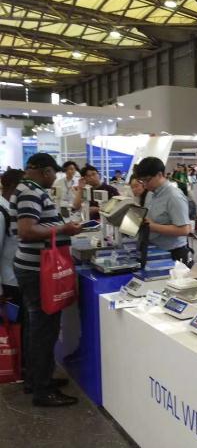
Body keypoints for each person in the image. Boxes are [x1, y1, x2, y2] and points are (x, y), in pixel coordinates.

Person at [11, 153, 82, 407]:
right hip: (37, 270)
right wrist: (64, 229)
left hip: (32, 267)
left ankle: (36, 379)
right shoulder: (31, 191)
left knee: (36, 327)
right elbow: (27, 230)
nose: (55, 179)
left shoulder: (27, 188)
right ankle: (42, 390)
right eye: (54, 173)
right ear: (45, 171)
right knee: (44, 329)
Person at [134, 157, 192, 264]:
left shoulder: (174, 196)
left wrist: (151, 226)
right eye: (142, 181)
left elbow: (184, 230)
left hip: (173, 253)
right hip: (153, 248)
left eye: (147, 180)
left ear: (160, 175)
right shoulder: (151, 193)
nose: (144, 184)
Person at [0, 169, 24, 300]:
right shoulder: (2, 212)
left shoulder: (12, 208)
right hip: (8, 282)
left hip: (17, 278)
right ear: (14, 187)